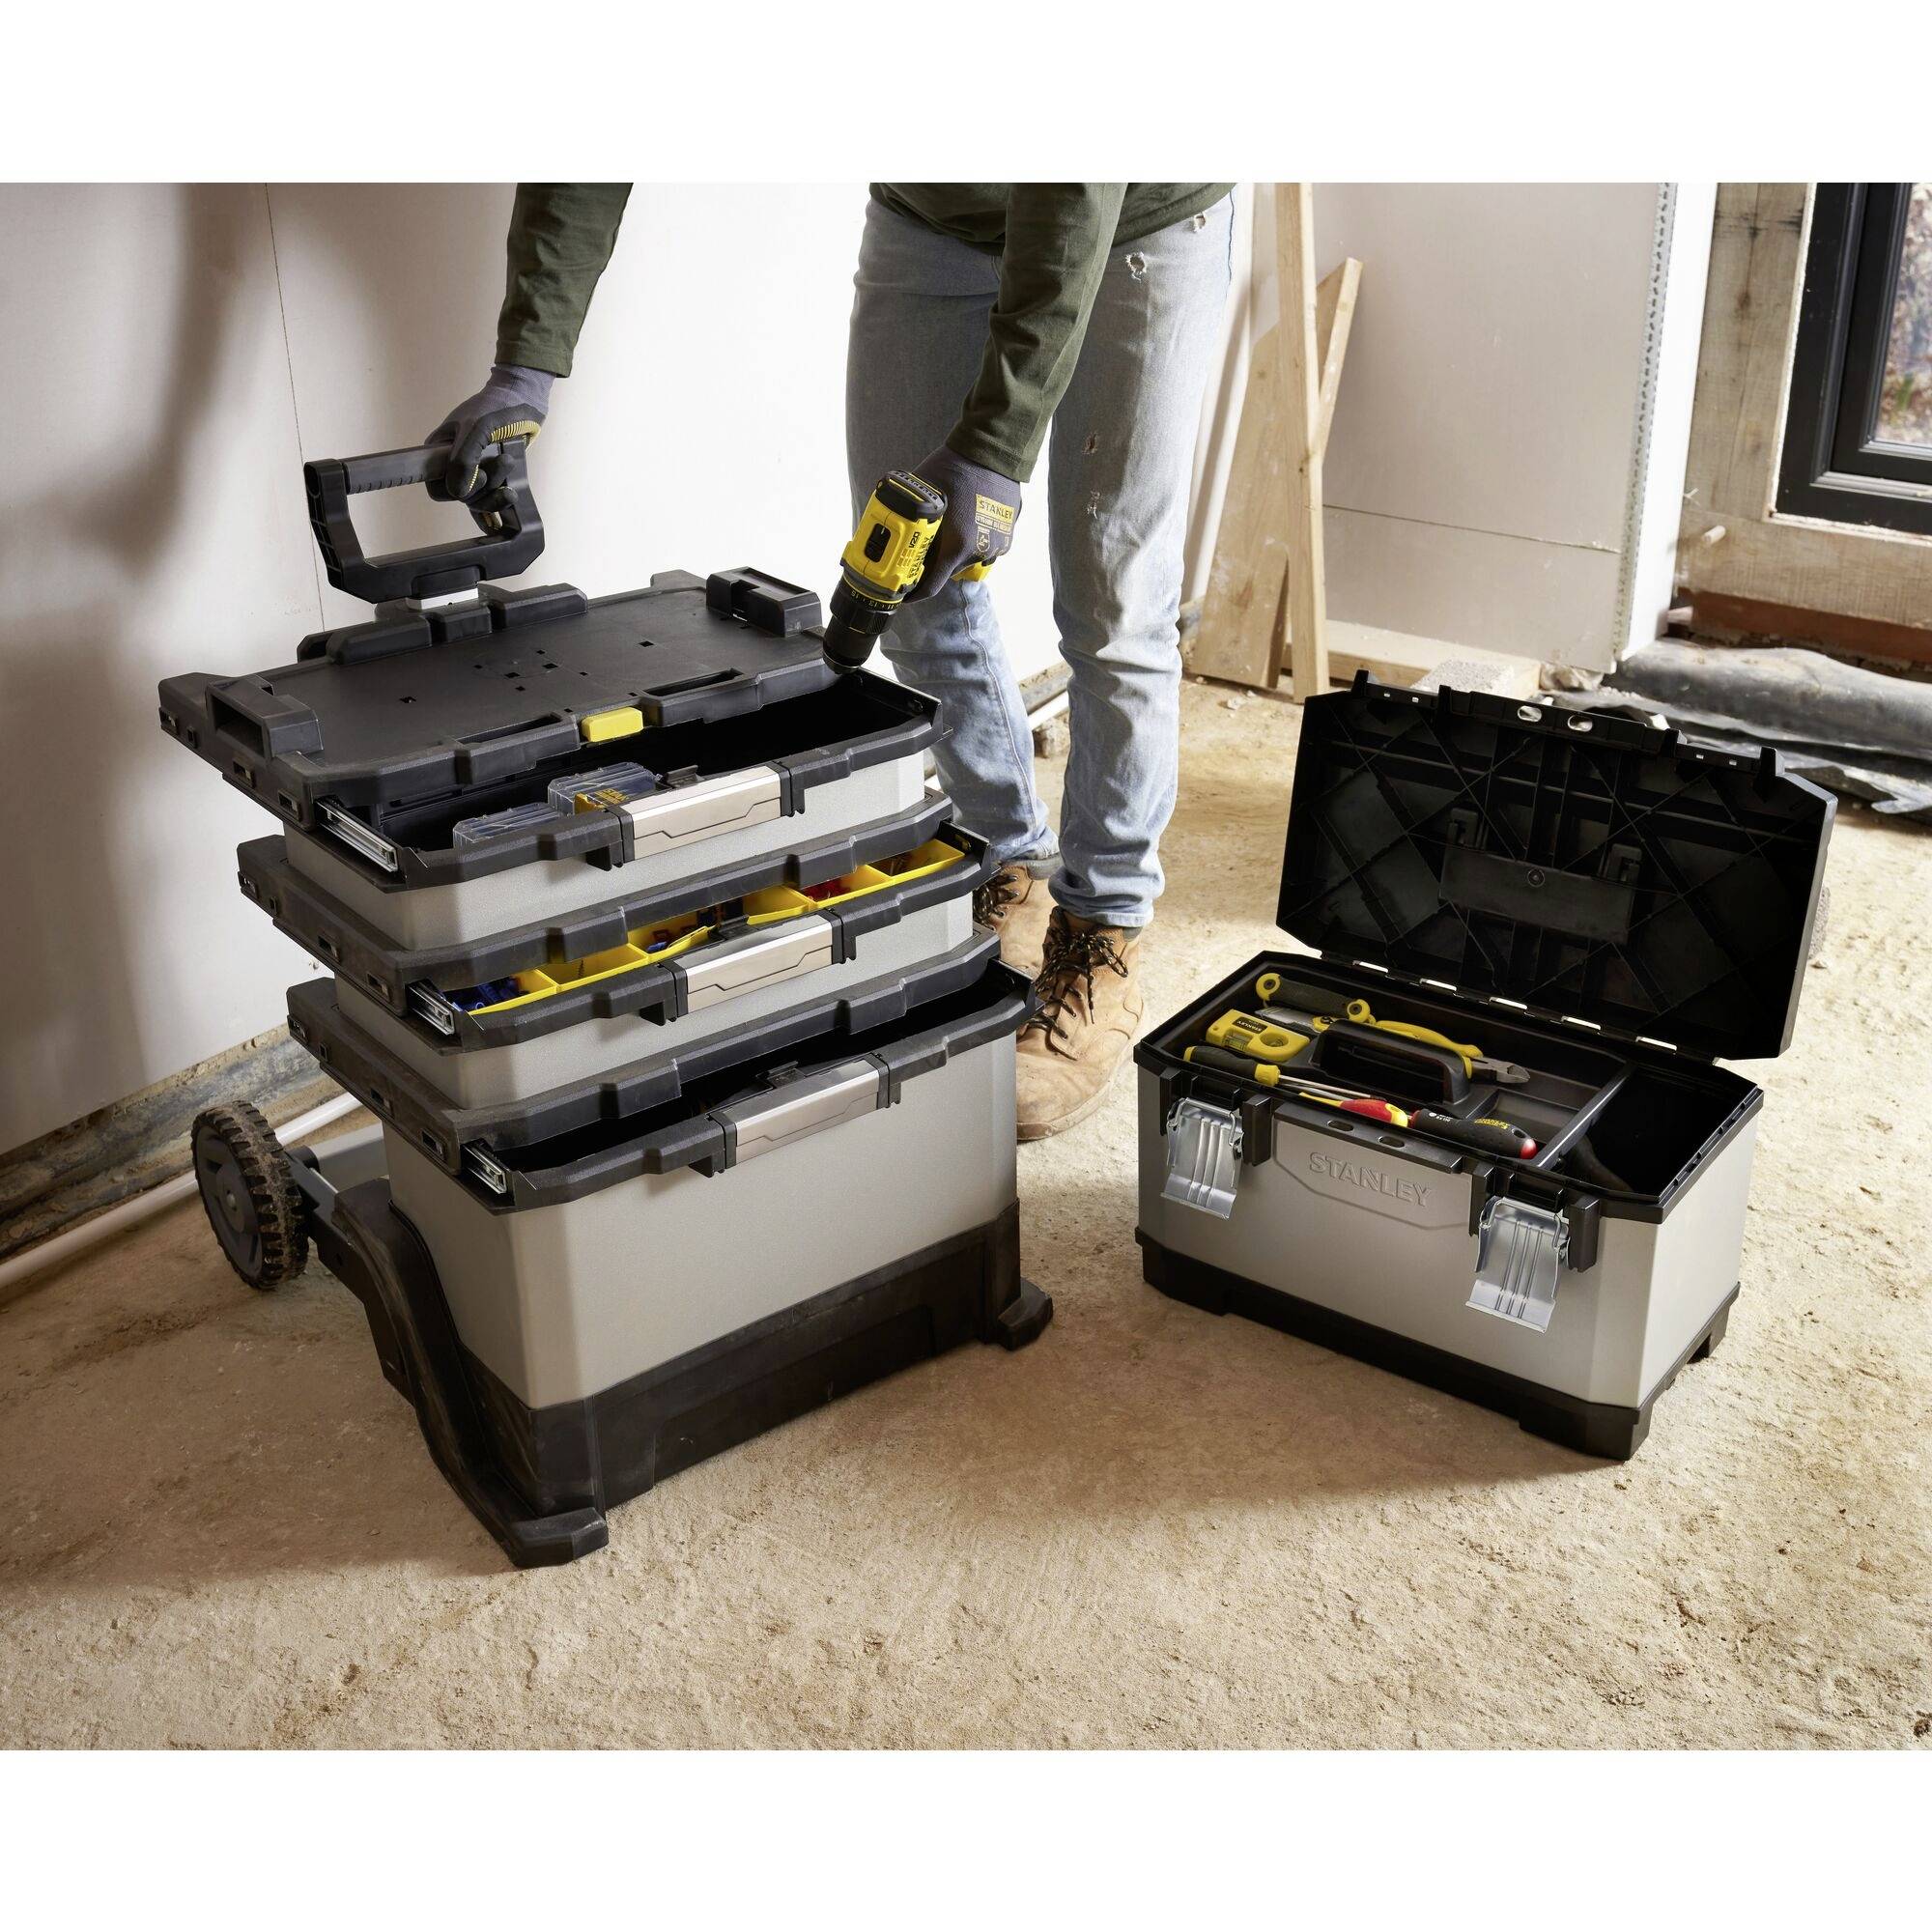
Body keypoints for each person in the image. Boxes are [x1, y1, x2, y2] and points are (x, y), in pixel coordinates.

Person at [431, 182, 1234, 1139]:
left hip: (1131, 207)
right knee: (915, 592)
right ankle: (1002, 865)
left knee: (1113, 608)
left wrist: (994, 443)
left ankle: (1099, 934)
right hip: (938, 217)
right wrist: (527, 364)